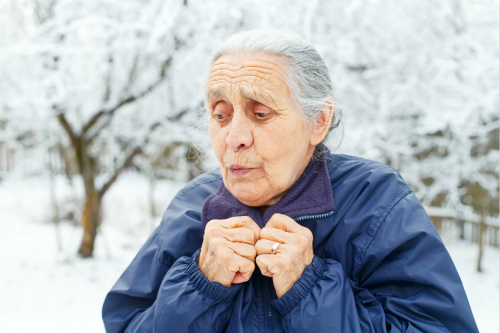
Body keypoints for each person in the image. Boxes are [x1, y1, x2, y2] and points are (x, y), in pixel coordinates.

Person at [102, 30, 478, 333]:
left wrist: (310, 287)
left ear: (318, 121)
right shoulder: (191, 206)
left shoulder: (376, 202)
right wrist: (199, 287)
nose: (235, 137)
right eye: (221, 114)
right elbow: (125, 325)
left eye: (261, 113)